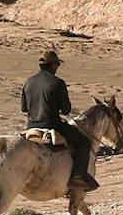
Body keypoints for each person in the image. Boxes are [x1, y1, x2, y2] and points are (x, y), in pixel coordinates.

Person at [21, 48, 97, 192]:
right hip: (52, 125)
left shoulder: (28, 82)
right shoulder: (58, 83)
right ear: (52, 65)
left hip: (31, 125)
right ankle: (77, 177)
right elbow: (66, 110)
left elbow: (24, 108)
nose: (57, 67)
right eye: (57, 64)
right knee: (84, 142)